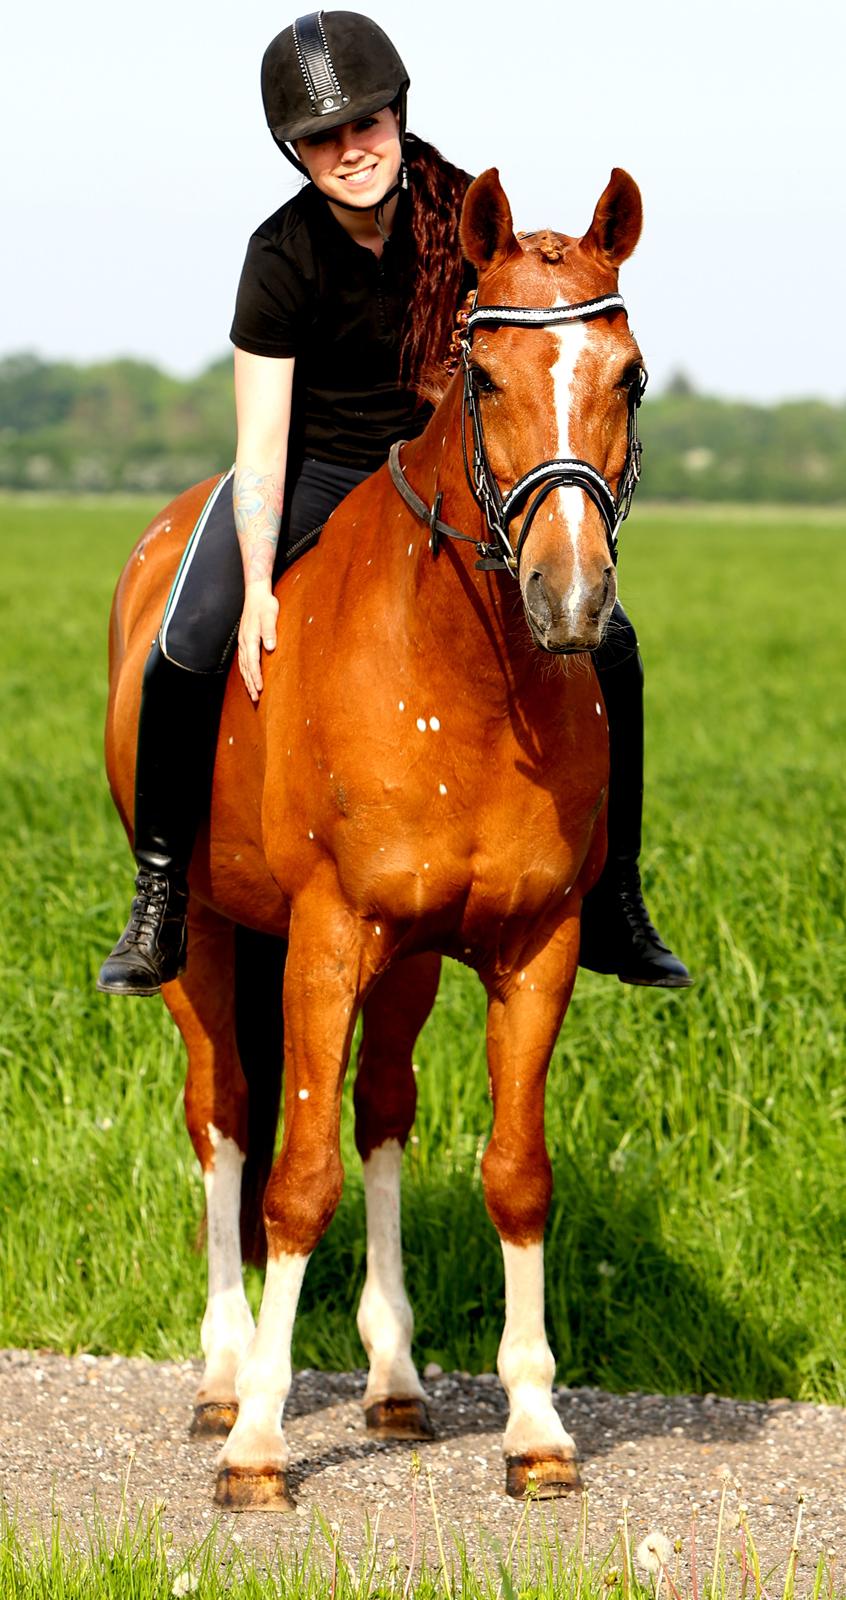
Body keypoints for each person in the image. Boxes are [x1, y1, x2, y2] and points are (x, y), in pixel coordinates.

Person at [97, 9, 690, 997]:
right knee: (187, 636)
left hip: (434, 476)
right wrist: (256, 581)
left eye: (365, 123)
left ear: (398, 115)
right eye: (322, 137)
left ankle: (616, 899)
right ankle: (158, 895)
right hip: (316, 470)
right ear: (295, 151)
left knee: (614, 647)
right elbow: (262, 441)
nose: (351, 149)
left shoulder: (462, 214)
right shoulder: (279, 254)